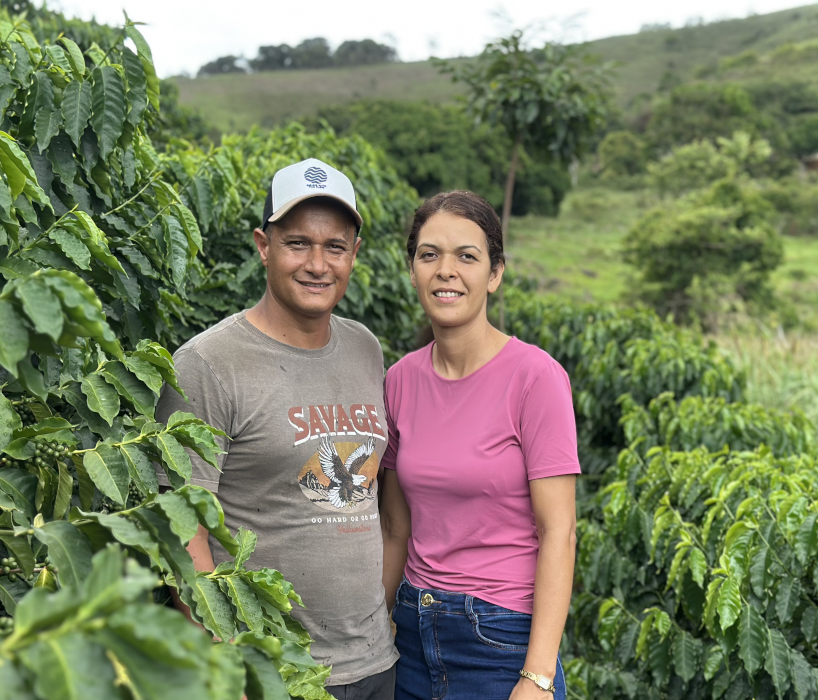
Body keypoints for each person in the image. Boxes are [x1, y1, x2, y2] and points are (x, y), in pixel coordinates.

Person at [156, 158, 397, 700]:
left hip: (377, 664)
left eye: (335, 246)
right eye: (297, 244)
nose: (317, 264)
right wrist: (223, 661)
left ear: (354, 254)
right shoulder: (208, 364)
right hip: (272, 672)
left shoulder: (365, 348)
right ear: (264, 246)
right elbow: (180, 524)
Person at [379, 191, 580, 700]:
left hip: (500, 639)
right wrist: (377, 627)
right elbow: (396, 529)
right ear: (413, 270)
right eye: (430, 255)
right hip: (413, 636)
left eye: (467, 256)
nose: (446, 271)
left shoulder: (536, 378)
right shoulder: (399, 380)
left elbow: (559, 532)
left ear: (494, 274)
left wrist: (536, 677)